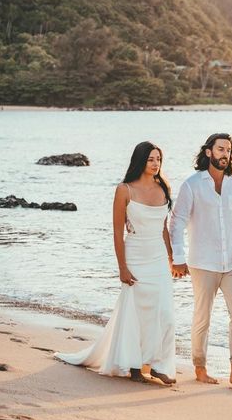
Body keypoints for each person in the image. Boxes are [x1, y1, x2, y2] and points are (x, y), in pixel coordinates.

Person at [55, 141, 176, 385]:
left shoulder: (163, 188)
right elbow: (117, 231)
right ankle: (133, 366)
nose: (155, 164)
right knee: (135, 313)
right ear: (140, 161)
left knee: (164, 314)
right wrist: (122, 267)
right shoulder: (124, 190)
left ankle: (155, 365)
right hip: (135, 255)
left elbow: (163, 227)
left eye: (158, 160)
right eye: (151, 159)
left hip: (158, 259)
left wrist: (172, 258)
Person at [169, 132, 232, 389]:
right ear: (209, 152)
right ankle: (200, 367)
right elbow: (177, 222)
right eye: (220, 149)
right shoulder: (192, 184)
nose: (225, 154)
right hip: (202, 262)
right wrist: (178, 258)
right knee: (202, 316)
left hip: (231, 263)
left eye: (228, 150)